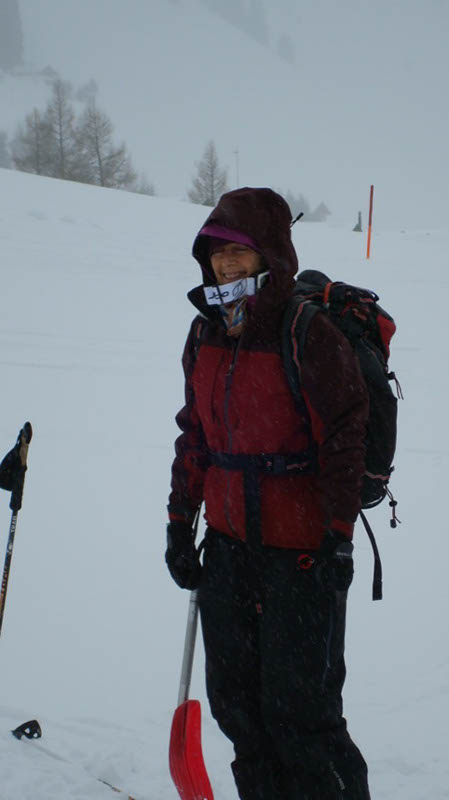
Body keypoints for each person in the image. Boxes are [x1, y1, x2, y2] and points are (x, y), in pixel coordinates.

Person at [166, 187, 371, 800]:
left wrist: (339, 537)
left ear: (269, 254)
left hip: (300, 555)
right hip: (228, 550)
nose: (226, 263)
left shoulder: (307, 332)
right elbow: (196, 437)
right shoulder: (205, 331)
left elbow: (345, 437)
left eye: (238, 250)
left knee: (301, 716)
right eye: (216, 252)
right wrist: (179, 523)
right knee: (239, 709)